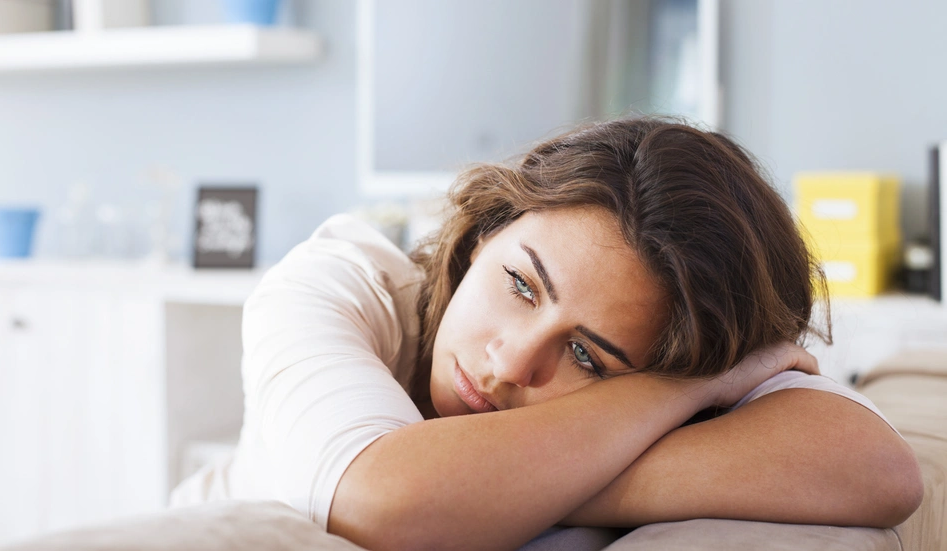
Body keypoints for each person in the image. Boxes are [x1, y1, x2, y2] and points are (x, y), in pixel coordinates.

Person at [170, 117, 923, 551]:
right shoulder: (341, 282)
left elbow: (879, 470)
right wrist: (685, 391)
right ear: (481, 236)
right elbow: (383, 499)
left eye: (588, 356)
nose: (509, 362)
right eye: (521, 285)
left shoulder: (679, 367)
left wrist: (527, 482)